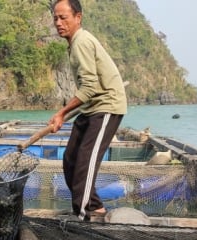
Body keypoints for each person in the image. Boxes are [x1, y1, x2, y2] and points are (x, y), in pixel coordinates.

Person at [48, 0, 127, 221]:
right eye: (55, 18)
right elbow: (89, 89)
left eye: (64, 17)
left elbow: (90, 87)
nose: (58, 23)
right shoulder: (74, 43)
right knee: (71, 158)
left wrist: (61, 113)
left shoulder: (81, 42)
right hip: (91, 106)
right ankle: (95, 206)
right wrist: (64, 113)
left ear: (78, 17)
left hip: (106, 106)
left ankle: (84, 216)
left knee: (84, 161)